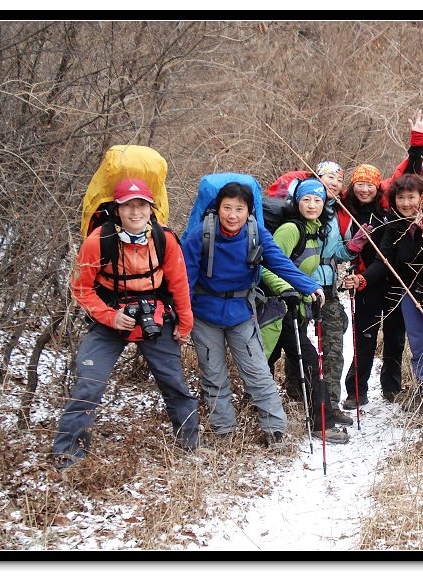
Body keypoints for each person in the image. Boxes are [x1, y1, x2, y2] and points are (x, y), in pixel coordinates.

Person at [52, 178, 197, 470]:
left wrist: (184, 325)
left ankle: (190, 445)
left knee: (175, 384)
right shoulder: (98, 241)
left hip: (154, 317)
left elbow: (179, 285)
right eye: (128, 206)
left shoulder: (163, 239)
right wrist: (109, 316)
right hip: (110, 320)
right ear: (116, 209)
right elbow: (81, 289)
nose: (135, 212)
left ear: (151, 209)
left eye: (141, 205)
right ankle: (68, 451)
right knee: (89, 383)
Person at [182, 180, 325, 444]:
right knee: (214, 376)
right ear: (218, 208)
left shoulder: (256, 233)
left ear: (249, 211)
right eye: (227, 207)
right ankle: (224, 432)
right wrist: (182, 317)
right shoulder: (201, 234)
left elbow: (280, 262)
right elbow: (185, 279)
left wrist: (309, 286)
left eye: (239, 208)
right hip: (204, 314)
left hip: (241, 313)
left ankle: (275, 432)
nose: (232, 215)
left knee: (258, 372)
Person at [344, 178, 423, 414]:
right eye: (400, 198)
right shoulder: (394, 226)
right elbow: (383, 261)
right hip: (410, 295)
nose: (405, 203)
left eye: (411, 197)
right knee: (417, 347)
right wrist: (362, 279)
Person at [335, 110, 423, 408]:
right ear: (352, 185)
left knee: (394, 339)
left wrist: (417, 140)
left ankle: (392, 388)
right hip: (367, 282)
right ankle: (356, 391)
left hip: (397, 283)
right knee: (364, 339)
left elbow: (409, 175)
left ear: (380, 188)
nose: (364, 188)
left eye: (370, 184)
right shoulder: (342, 207)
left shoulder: (388, 207)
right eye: (359, 183)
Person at [261, 179, 369, 443]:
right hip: (279, 307)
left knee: (267, 360)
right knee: (308, 362)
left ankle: (254, 409)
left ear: (325, 205)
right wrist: (289, 289)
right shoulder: (290, 230)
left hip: (294, 308)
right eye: (306, 199)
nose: (312, 205)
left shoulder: (315, 229)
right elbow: (265, 265)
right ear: (297, 202)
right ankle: (323, 424)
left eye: (318, 200)